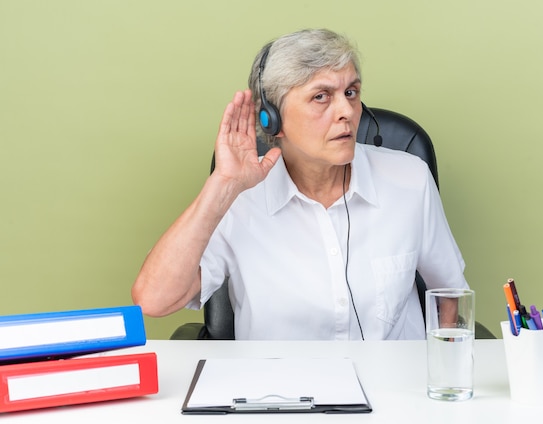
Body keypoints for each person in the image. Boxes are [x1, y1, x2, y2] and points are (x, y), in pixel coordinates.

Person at [131, 28, 468, 340]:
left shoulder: (409, 180)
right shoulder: (239, 199)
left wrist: (443, 382)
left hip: (393, 396)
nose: (347, 112)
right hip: (278, 397)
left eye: (351, 92)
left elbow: (450, 294)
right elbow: (153, 300)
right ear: (271, 118)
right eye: (321, 96)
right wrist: (222, 185)